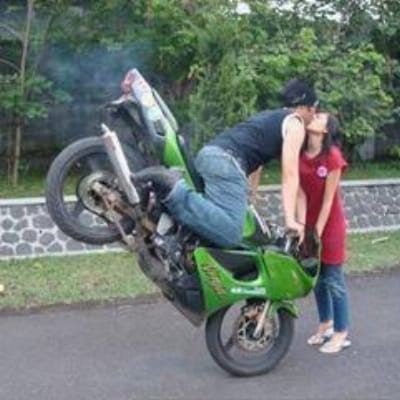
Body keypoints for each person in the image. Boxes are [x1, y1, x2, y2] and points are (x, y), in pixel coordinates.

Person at [136, 79, 318, 248]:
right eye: (315, 110)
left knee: (212, 220)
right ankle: (173, 190)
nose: (315, 116)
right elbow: (290, 175)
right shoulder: (296, 123)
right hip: (227, 163)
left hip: (211, 155)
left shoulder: (272, 117)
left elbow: (258, 162)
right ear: (306, 108)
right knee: (231, 234)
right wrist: (290, 221)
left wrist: (249, 196)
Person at [297, 112, 351, 353]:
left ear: (326, 130)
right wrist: (302, 227)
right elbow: (300, 195)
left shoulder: (333, 157)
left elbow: (329, 201)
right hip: (310, 225)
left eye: (319, 116)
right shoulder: (300, 154)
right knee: (317, 280)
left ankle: (341, 333)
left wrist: (317, 232)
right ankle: (325, 324)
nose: (314, 116)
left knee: (334, 280)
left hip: (331, 226)